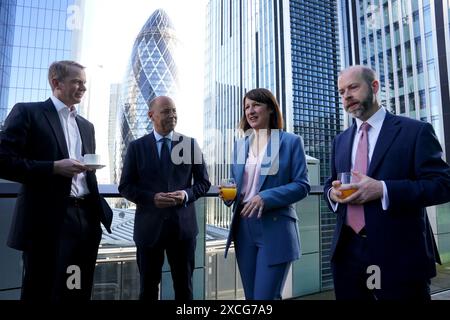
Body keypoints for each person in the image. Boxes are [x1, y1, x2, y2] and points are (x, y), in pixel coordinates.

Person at [324, 65, 450, 300]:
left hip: (399, 253)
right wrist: (332, 194)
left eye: (353, 87)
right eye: (341, 92)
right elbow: (329, 184)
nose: (346, 96)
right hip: (348, 253)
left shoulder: (415, 131)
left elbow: (442, 185)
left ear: (374, 86)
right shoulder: (340, 140)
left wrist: (383, 189)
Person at [0, 60, 113, 300]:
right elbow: (4, 161)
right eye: (77, 82)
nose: (83, 87)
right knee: (41, 290)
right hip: (46, 221)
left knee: (78, 289)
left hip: (85, 219)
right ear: (56, 83)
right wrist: (53, 167)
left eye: (84, 83)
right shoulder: (27, 112)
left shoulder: (87, 126)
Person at [119, 96, 210, 300]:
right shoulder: (136, 147)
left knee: (184, 289)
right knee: (148, 290)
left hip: (183, 231)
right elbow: (125, 186)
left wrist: (185, 195)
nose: (173, 115)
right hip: (149, 231)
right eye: (167, 111)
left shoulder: (189, 144)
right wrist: (152, 199)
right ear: (151, 115)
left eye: (174, 111)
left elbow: (204, 183)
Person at [222, 88, 310, 300]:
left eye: (256, 105)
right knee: (252, 298)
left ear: (270, 108)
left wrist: (266, 197)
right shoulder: (240, 145)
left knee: (265, 298)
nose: (250, 111)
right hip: (243, 227)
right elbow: (238, 185)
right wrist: (229, 194)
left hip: (275, 226)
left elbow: (302, 185)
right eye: (246, 107)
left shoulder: (289, 141)